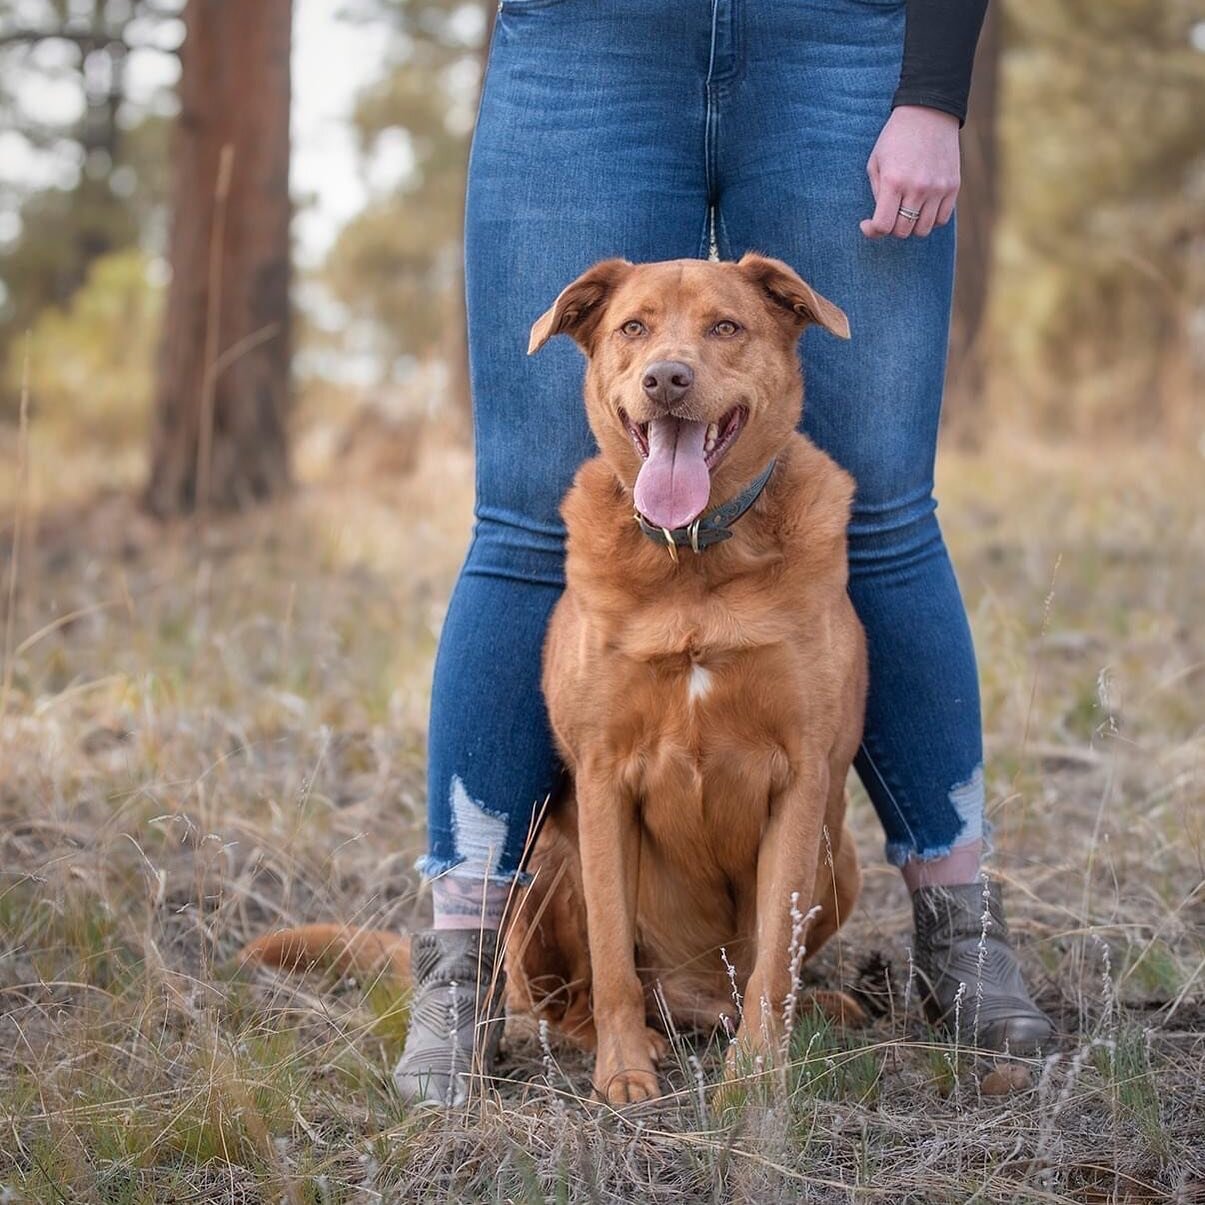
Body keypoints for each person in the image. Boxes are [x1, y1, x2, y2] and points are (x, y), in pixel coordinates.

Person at [394, 0, 1054, 1106]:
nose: (667, 363)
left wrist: (932, 85)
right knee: (517, 517)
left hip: (842, 38)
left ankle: (961, 932)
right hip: (583, 42)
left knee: (885, 505)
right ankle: (460, 965)